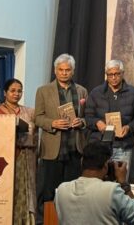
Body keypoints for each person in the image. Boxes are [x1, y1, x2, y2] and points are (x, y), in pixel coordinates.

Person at [35, 54, 88, 223]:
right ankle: (47, 221)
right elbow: (38, 118)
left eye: (67, 70)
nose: (64, 73)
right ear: (55, 70)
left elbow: (88, 117)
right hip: (52, 150)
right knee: (48, 191)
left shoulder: (81, 91)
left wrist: (81, 122)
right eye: (61, 70)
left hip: (74, 149)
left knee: (72, 193)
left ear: (73, 71)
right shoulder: (43, 90)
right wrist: (52, 123)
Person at [54, 141, 134, 225]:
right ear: (105, 165)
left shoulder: (62, 190)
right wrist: (123, 183)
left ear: (81, 162)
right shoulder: (111, 190)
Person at [0, 78, 38, 225]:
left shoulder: (30, 112)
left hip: (26, 157)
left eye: (19, 91)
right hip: (4, 159)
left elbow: (35, 136)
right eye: (13, 91)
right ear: (5, 93)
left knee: (25, 191)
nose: (16, 94)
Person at [85, 59, 134, 178]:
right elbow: (88, 117)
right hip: (100, 146)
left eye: (117, 74)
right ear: (106, 75)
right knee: (99, 183)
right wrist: (97, 123)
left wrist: (129, 127)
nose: (114, 77)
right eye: (110, 74)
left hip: (123, 146)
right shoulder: (96, 93)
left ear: (122, 73)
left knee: (121, 182)